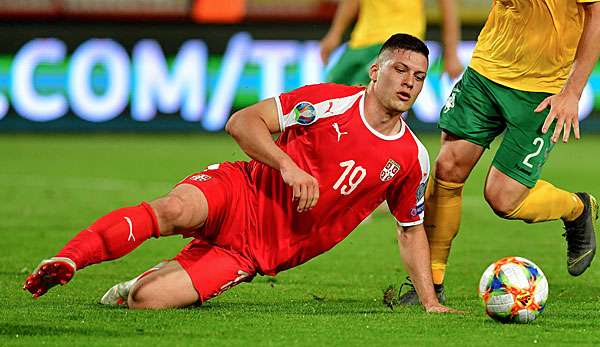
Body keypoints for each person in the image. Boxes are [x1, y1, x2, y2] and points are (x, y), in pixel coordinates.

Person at [23, 34, 456, 313]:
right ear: (375, 70)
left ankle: (140, 281)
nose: (409, 83)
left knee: (145, 301)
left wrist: (429, 302)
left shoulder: (411, 158)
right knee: (172, 209)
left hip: (254, 253)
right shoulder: (326, 103)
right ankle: (68, 259)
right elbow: (242, 121)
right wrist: (286, 165)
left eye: (418, 77)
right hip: (240, 191)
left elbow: (411, 230)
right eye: (400, 70)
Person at [398, 0, 600, 305]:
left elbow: (596, 11)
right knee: (448, 168)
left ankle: (577, 208)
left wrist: (573, 90)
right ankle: (430, 283)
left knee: (503, 197)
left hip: (542, 87)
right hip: (486, 71)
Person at [320, 0, 462, 86]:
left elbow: (447, 9)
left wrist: (451, 54)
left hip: (398, 44)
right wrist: (334, 33)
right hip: (360, 42)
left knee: (365, 101)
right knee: (330, 96)